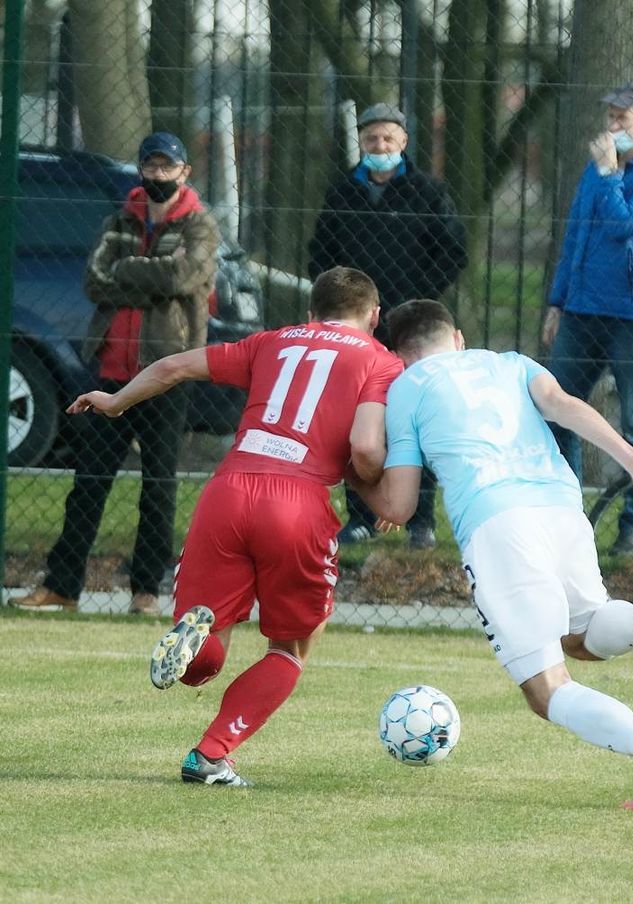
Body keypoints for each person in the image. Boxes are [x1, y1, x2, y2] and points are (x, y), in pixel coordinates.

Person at [352, 300, 633, 810]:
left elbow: (400, 503)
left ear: (400, 355)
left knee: (546, 690)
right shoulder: (510, 362)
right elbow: (567, 404)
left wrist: (350, 476)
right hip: (560, 507)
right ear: (458, 338)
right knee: (583, 635)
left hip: (497, 523)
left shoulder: (405, 389)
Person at [65, 267, 401, 787]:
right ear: (374, 317)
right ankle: (210, 755)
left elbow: (175, 365)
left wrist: (115, 401)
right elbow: (365, 447)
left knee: (206, 656)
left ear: (310, 313)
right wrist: (379, 489)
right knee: (289, 650)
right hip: (297, 502)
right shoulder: (380, 360)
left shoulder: (272, 342)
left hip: (228, 490)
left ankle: (195, 642)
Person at [12, 132, 217, 617]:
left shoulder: (200, 226)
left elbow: (182, 279)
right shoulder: (119, 219)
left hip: (166, 371)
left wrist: (129, 275)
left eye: (168, 167)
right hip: (111, 371)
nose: (158, 175)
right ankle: (62, 586)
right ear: (142, 170)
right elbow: (93, 280)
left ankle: (145, 591)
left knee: (158, 484)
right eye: (151, 166)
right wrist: (149, 276)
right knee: (89, 482)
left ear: (184, 172)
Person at [309, 101, 468, 548]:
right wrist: (343, 306)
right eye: (371, 139)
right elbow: (320, 253)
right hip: (357, 326)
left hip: (409, 326)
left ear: (403, 142)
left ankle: (421, 520)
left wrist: (417, 297)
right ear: (361, 142)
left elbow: (453, 251)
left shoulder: (428, 193)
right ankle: (360, 515)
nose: (380, 146)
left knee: (418, 415)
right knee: (356, 418)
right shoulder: (342, 193)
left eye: (388, 138)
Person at [542, 81, 633, 556]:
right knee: (555, 410)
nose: (614, 125)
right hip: (581, 310)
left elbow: (625, 226)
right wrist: (558, 302)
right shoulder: (595, 171)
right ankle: (567, 515)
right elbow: (576, 237)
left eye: (624, 117)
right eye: (611, 116)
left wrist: (608, 172)